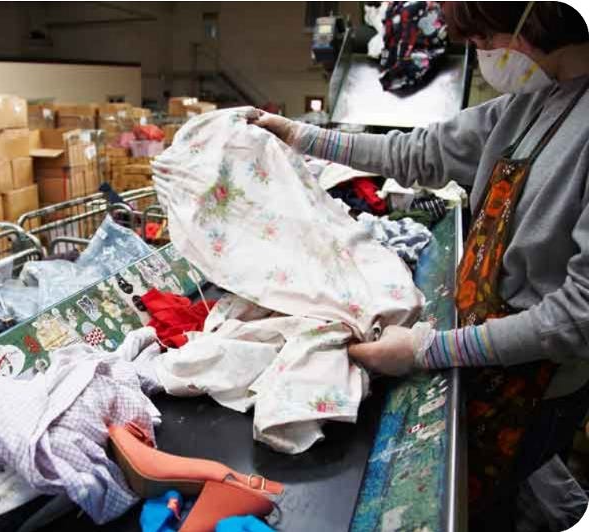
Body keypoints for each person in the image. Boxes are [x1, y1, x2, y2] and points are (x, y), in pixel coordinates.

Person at [252, 1, 589, 530]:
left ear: (538, 21)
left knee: (490, 499)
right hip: (488, 351)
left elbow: (575, 318)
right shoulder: (530, 104)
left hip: (540, 378)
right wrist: (298, 136)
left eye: (483, 41)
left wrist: (426, 350)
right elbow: (416, 153)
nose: (482, 56)